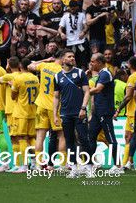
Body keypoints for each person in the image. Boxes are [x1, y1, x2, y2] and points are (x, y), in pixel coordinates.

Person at [53, 50, 91, 178]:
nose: (72, 58)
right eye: (69, 56)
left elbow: (87, 92)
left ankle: (89, 167)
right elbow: (56, 97)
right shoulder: (57, 77)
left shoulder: (80, 73)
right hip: (65, 114)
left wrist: (83, 108)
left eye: (73, 56)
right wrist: (55, 115)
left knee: (84, 139)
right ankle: (74, 168)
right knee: (69, 141)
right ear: (63, 60)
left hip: (79, 112)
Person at [87, 53, 118, 169]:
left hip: (105, 111)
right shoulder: (101, 74)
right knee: (91, 136)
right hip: (97, 112)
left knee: (110, 138)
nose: (91, 64)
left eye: (93, 61)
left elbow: (98, 89)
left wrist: (83, 91)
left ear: (99, 62)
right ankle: (90, 164)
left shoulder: (105, 74)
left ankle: (118, 165)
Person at [10, 58, 39, 173]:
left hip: (21, 112)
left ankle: (24, 165)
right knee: (31, 138)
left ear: (20, 66)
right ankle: (36, 163)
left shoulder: (18, 78)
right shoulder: (35, 78)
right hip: (32, 112)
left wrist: (12, 86)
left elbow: (13, 96)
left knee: (21, 138)